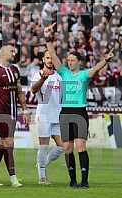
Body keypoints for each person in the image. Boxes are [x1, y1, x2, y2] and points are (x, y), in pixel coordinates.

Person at [44, 23, 114, 189]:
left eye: (72, 60)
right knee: (67, 148)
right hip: (65, 113)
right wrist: (48, 38)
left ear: (79, 62)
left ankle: (85, 181)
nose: (69, 62)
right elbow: (53, 54)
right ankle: (73, 181)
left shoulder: (84, 75)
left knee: (81, 147)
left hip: (80, 112)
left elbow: (96, 68)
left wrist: (105, 60)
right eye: (68, 60)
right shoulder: (63, 72)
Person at [0, 43, 29, 187]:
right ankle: (13, 178)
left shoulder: (15, 70)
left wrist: (25, 110)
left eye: (14, 51)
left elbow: (19, 92)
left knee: (3, 143)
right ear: (2, 53)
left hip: (13, 112)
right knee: (9, 142)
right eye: (11, 51)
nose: (14, 53)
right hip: (0, 112)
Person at [30, 50, 64, 185]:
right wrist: (43, 79)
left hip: (57, 114)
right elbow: (33, 90)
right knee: (44, 146)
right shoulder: (36, 74)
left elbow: (60, 97)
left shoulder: (59, 77)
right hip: (43, 114)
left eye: (52, 58)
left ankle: (42, 164)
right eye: (47, 58)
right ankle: (42, 177)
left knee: (62, 146)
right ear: (43, 60)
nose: (50, 60)